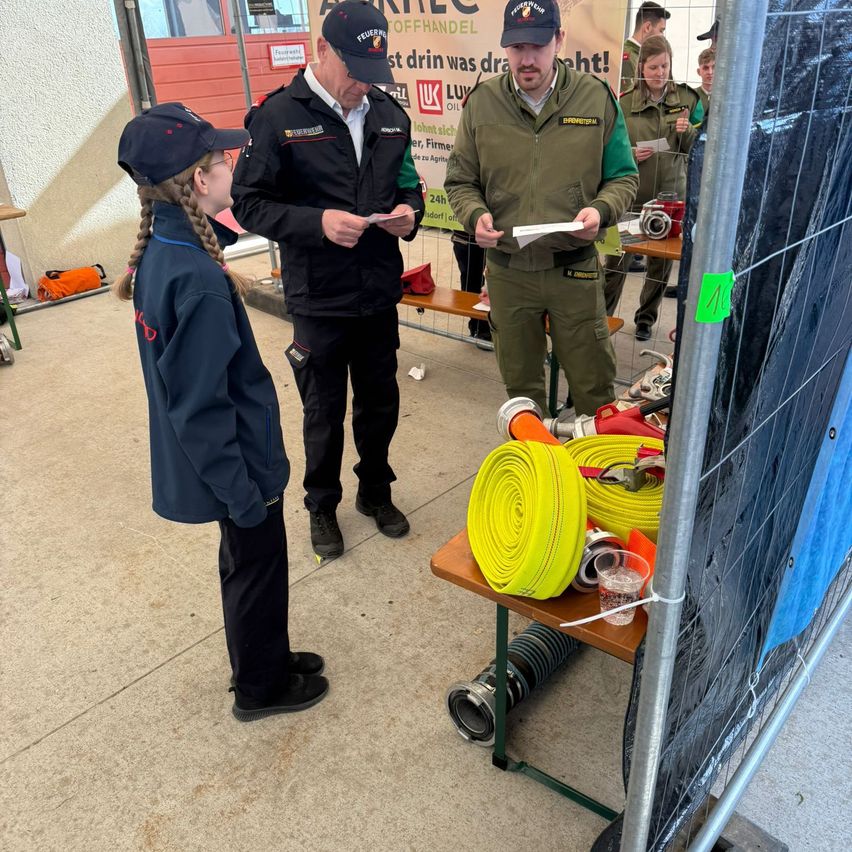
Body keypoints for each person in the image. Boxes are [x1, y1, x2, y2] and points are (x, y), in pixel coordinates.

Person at [114, 102, 329, 722]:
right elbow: (200, 403)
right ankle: (260, 688)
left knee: (252, 564)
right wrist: (239, 488)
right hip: (237, 465)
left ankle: (269, 655)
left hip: (228, 461)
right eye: (223, 160)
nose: (234, 165)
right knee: (255, 570)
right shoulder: (200, 282)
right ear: (200, 180)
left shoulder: (163, 253)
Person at [231, 0, 425, 560]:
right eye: (354, 72)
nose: (363, 85)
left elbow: (410, 187)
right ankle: (321, 503)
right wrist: (315, 222)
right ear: (322, 50)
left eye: (373, 74)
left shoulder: (391, 116)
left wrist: (409, 214)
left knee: (380, 402)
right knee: (322, 410)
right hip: (318, 297)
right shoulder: (275, 117)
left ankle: (375, 491)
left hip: (377, 291)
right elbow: (249, 204)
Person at [445, 0, 638, 417]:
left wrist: (602, 211)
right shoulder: (482, 103)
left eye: (537, 46)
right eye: (516, 48)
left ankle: (593, 476)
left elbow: (624, 177)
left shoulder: (595, 98)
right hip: (508, 273)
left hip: (575, 269)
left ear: (559, 40)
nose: (527, 59)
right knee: (521, 393)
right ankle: (539, 473)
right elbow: (461, 181)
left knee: (594, 388)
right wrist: (474, 215)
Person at [603, 36, 704, 339]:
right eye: (653, 66)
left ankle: (645, 318)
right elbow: (610, 148)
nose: (660, 72)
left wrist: (689, 132)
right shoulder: (623, 103)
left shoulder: (687, 101)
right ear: (641, 67)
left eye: (665, 66)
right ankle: (602, 317)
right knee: (615, 262)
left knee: (659, 269)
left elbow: (694, 151)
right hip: (631, 197)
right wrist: (631, 154)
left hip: (669, 199)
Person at [620, 1, 671, 95]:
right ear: (647, 27)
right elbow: (628, 99)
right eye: (661, 30)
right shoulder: (628, 58)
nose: (663, 36)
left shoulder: (639, 55)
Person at [450, 229, 490, 344]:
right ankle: (479, 328)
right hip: (465, 239)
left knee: (492, 283)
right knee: (470, 283)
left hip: (491, 238)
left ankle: (483, 328)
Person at [696, 46, 715, 115]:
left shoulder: (726, 97)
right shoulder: (691, 96)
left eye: (714, 67)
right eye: (705, 68)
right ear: (698, 72)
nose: (710, 72)